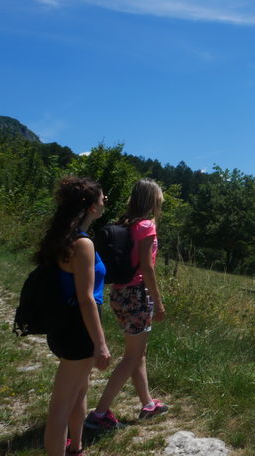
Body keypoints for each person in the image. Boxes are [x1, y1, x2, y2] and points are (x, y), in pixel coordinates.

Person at [85, 178, 168, 429]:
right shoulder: (146, 226)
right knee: (132, 356)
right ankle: (100, 414)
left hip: (119, 293)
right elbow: (147, 267)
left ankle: (148, 404)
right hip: (138, 295)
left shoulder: (126, 223)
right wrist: (159, 302)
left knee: (137, 353)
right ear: (152, 200)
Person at [40, 176, 112, 456]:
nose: (105, 200)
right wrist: (101, 344)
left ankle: (76, 448)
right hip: (78, 329)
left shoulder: (64, 238)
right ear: (91, 206)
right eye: (102, 197)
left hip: (65, 325)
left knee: (80, 392)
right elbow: (86, 298)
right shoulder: (82, 245)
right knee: (60, 407)